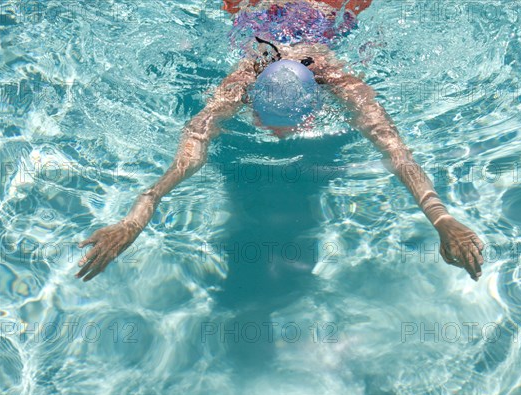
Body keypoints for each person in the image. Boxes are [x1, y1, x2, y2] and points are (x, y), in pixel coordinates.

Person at [76, 0, 484, 282]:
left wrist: (443, 220)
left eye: (275, 125)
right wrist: (133, 221)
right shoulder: (244, 77)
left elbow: (399, 153)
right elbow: (190, 151)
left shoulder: (339, 78)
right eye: (269, 122)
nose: (274, 134)